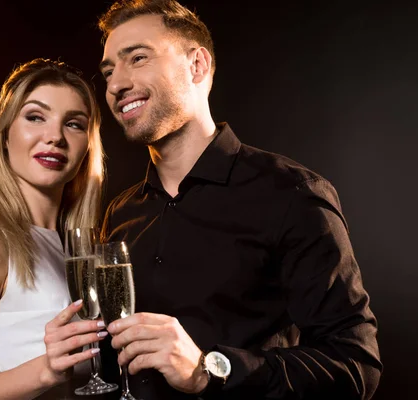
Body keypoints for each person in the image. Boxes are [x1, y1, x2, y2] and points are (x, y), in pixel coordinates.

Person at [97, 1, 382, 399]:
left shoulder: (292, 194)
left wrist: (209, 369)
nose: (115, 84)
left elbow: (356, 366)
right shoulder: (120, 213)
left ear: (197, 65)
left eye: (138, 58)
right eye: (109, 71)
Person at [0, 58, 107, 399]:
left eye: (73, 124)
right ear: (4, 134)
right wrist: (46, 370)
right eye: (35, 117)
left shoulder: (80, 250)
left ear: (87, 146)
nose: (55, 137)